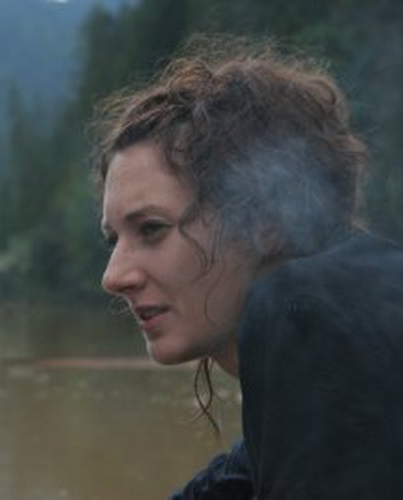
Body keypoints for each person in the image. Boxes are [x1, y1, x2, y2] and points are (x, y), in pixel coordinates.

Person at [94, 37, 403, 499]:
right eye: (114, 239)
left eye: (152, 229)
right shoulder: (343, 324)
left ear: (263, 220)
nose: (114, 277)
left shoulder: (312, 309)